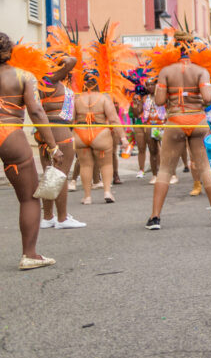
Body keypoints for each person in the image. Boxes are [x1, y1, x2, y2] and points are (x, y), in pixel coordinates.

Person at [147, 33, 211, 229]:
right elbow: (208, 98)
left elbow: (158, 101)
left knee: (165, 169)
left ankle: (155, 218)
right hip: (198, 120)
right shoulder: (201, 71)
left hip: (175, 120)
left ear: (174, 47)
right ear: (194, 47)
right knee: (205, 167)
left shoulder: (166, 71)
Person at [0, 33, 65, 269]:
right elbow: (36, 112)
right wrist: (53, 146)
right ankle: (29, 255)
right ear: (11, 52)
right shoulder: (23, 76)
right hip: (10, 135)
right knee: (28, 198)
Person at [35, 53, 85, 229]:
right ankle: (62, 218)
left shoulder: (41, 82)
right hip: (58, 130)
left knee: (50, 174)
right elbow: (72, 60)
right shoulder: (49, 80)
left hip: (44, 131)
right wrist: (59, 61)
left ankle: (48, 217)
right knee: (61, 174)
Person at [73, 69, 127, 204]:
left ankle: (87, 197)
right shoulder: (104, 98)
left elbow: (69, 120)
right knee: (106, 164)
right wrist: (123, 138)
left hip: (80, 132)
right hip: (100, 133)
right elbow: (114, 119)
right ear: (98, 82)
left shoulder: (77, 99)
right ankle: (107, 191)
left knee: (85, 165)